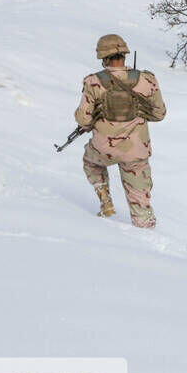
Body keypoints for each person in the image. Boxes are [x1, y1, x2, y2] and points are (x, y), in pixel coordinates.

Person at [74, 34, 166, 228]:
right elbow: (159, 114)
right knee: (140, 200)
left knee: (90, 162)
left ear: (104, 58)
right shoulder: (147, 79)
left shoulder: (93, 82)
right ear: (124, 54)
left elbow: (84, 119)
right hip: (136, 151)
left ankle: (105, 200)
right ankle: (145, 229)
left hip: (103, 149)